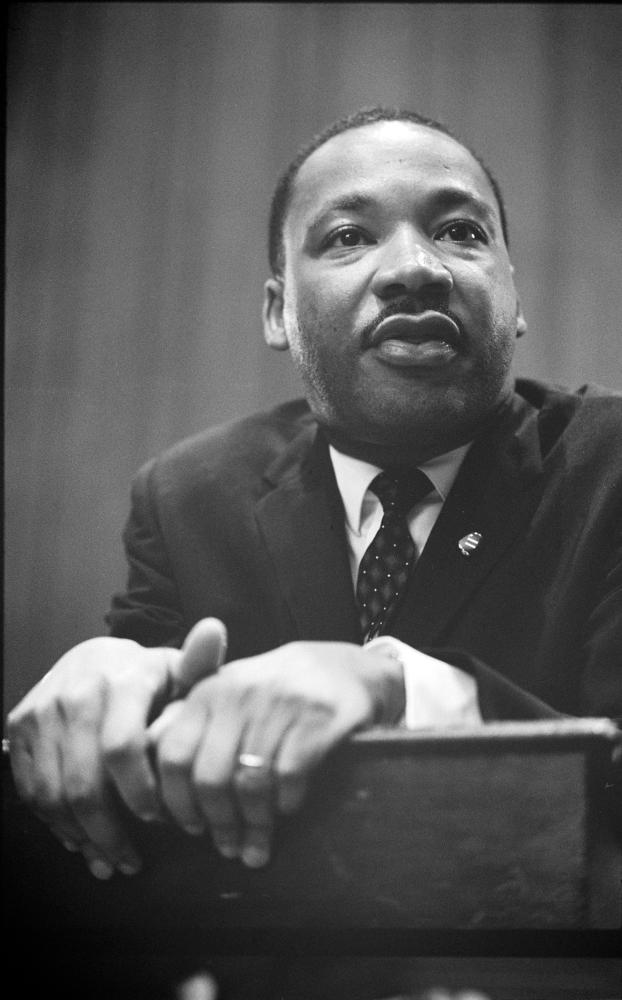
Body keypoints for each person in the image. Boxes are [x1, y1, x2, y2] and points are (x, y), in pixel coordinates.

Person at [7, 107, 622, 886]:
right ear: (277, 313)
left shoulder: (610, 464)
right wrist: (108, 683)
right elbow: (147, 776)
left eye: (461, 232)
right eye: (348, 237)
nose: (416, 267)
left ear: (515, 297)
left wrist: (392, 684)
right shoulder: (191, 497)